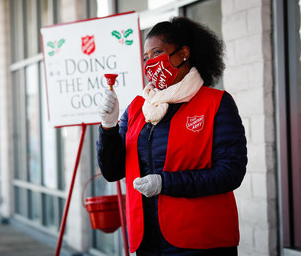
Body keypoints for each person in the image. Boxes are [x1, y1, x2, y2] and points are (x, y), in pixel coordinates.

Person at [96, 16, 247, 256]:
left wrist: (165, 183)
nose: (150, 63)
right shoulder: (137, 108)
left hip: (201, 240)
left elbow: (230, 173)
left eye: (157, 53)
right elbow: (112, 171)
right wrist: (108, 127)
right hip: (148, 241)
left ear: (183, 53)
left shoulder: (216, 103)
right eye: (146, 58)